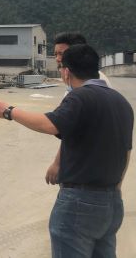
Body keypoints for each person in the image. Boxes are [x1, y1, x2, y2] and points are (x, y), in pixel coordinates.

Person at [0, 44, 133, 258]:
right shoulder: (121, 102)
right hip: (111, 202)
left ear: (66, 72)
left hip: (79, 202)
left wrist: (9, 111)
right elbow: (127, 151)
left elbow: (50, 124)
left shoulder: (80, 97)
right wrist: (114, 190)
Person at [46, 33, 111, 185]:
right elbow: (70, 127)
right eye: (55, 54)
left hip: (86, 174)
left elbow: (55, 125)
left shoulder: (91, 84)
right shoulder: (77, 83)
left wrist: (10, 112)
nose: (58, 59)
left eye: (61, 53)